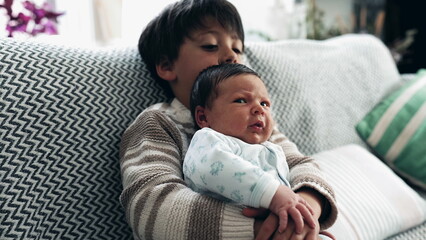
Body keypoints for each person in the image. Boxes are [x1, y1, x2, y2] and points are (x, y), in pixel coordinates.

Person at [119, 0, 338, 239]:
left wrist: (304, 210)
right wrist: (259, 229)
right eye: (211, 46)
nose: (231, 57)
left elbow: (303, 165)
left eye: (237, 48)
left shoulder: (257, 123)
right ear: (166, 65)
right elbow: (152, 209)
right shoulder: (158, 124)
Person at [184, 63, 334, 240]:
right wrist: (274, 194)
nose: (259, 109)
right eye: (241, 100)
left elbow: (294, 187)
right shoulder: (208, 139)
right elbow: (211, 166)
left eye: (264, 103)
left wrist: (300, 220)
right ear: (203, 117)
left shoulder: (274, 149)